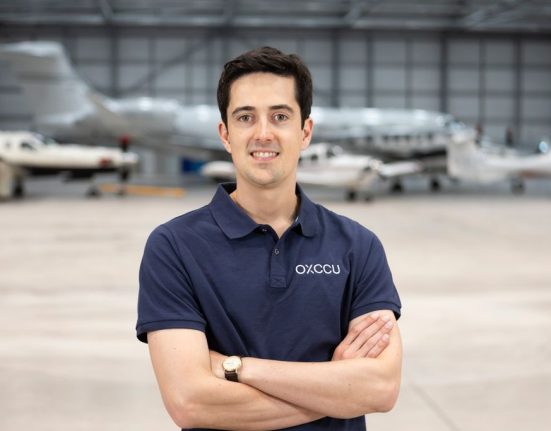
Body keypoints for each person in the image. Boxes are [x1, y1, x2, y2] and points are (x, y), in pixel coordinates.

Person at [136, 46, 402, 431]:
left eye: (280, 116)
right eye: (246, 117)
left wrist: (237, 367)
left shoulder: (358, 246)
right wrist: (337, 390)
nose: (263, 134)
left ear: (305, 132)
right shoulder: (173, 246)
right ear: (226, 134)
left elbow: (380, 389)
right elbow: (191, 403)